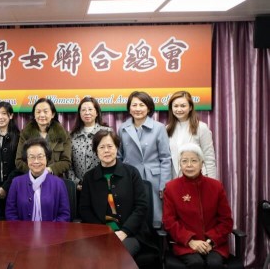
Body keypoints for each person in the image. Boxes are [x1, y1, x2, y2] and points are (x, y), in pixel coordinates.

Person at [80, 129, 156, 257]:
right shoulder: (89, 177)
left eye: (110, 146)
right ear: (96, 151)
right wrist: (103, 232)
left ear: (117, 148)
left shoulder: (132, 173)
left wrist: (124, 231)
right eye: (102, 147)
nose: (106, 150)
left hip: (130, 234)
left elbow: (141, 206)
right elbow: (84, 209)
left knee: (116, 254)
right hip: (100, 234)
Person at [163, 143, 233, 269]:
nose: (189, 165)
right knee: (196, 263)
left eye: (194, 160)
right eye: (184, 161)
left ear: (202, 163)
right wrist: (190, 241)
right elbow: (169, 222)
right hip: (186, 245)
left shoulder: (216, 187)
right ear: (180, 164)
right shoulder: (171, 188)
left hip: (214, 244)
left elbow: (226, 221)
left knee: (214, 263)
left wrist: (210, 241)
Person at [117, 91, 171, 222]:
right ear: (129, 108)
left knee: (153, 218)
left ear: (148, 108)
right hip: (130, 178)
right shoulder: (123, 128)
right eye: (134, 105)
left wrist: (164, 185)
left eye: (141, 105)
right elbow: (119, 156)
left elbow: (165, 158)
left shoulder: (159, 128)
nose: (137, 109)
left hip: (154, 179)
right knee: (132, 217)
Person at [6, 137, 70, 222]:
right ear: (26, 159)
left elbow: (64, 215)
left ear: (47, 158)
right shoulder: (16, 183)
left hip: (52, 233)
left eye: (40, 157)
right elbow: (10, 213)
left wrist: (51, 232)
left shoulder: (58, 183)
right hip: (22, 233)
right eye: (32, 157)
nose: (36, 161)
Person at [15, 98, 71, 177]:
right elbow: (19, 161)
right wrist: (35, 171)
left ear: (52, 114)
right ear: (34, 115)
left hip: (55, 179)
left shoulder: (63, 134)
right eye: (38, 112)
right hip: (31, 180)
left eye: (45, 111)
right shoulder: (25, 134)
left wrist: (50, 169)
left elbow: (66, 162)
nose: (41, 115)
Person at [166, 90, 216, 179]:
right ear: (171, 108)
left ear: (190, 107)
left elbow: (209, 158)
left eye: (183, 106)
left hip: (198, 178)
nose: (179, 109)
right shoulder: (167, 129)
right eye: (175, 106)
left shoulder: (201, 127)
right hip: (176, 180)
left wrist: (212, 182)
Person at [69, 96, 113, 191]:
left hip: (103, 184)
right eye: (83, 110)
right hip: (80, 188)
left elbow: (113, 159)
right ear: (79, 113)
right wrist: (76, 183)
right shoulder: (72, 136)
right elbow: (69, 163)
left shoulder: (106, 132)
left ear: (97, 112)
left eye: (90, 109)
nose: (87, 112)